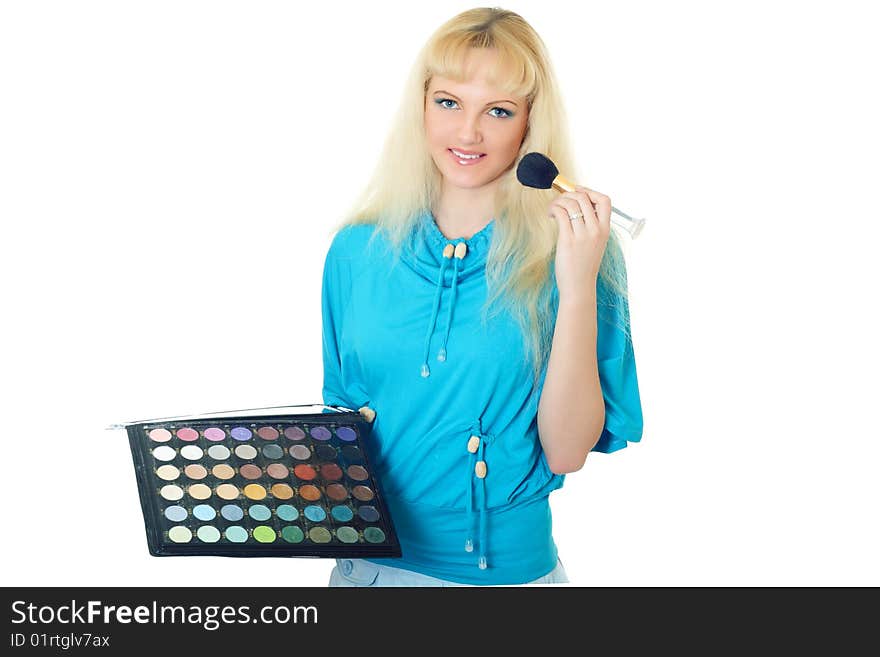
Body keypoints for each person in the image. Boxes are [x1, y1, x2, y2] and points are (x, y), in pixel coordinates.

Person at [320, 6, 643, 586]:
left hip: (502, 582)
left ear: (529, 124)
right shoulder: (356, 249)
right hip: (363, 574)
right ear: (421, 106)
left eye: (498, 110)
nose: (468, 133)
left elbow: (567, 452)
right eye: (448, 102)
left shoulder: (577, 250)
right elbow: (343, 412)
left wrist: (575, 286)